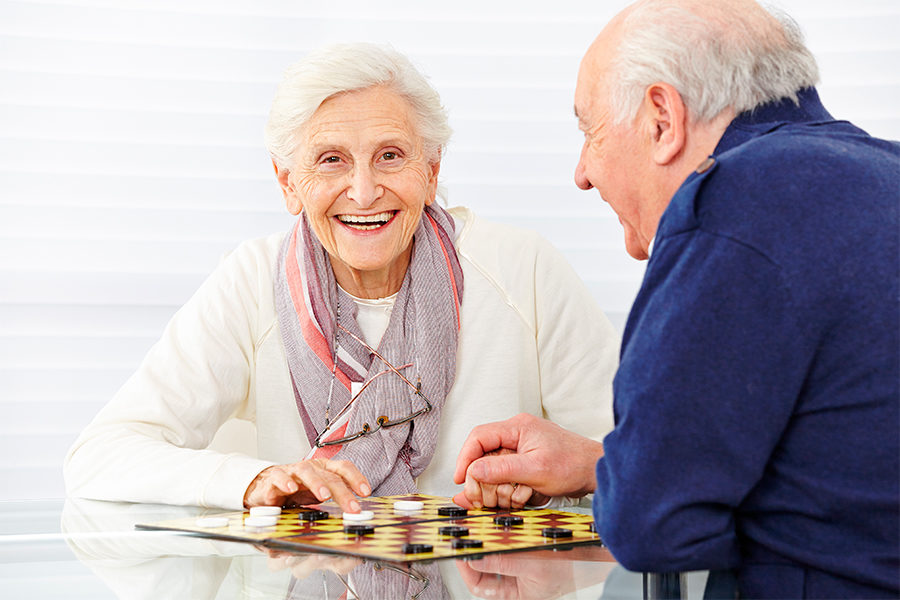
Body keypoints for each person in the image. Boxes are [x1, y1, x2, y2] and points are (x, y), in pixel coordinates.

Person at [452, 0, 899, 597]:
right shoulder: (881, 172)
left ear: (662, 119)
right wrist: (598, 466)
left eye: (591, 132)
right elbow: (837, 475)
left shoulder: (732, 203)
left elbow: (650, 527)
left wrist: (630, 487)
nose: (582, 174)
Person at [64, 43, 619, 514]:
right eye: (330, 160)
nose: (363, 191)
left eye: (390, 156)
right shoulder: (250, 281)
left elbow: (636, 459)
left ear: (431, 171)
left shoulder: (524, 269)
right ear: (287, 182)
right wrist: (252, 481)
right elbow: (101, 454)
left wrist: (555, 484)